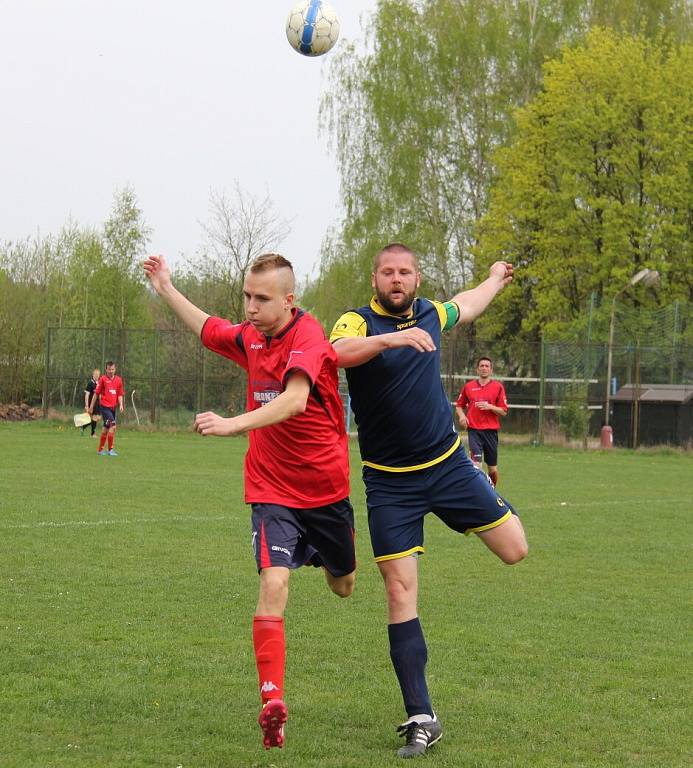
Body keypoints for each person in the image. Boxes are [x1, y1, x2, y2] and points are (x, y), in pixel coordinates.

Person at [143, 252, 356, 751]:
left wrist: (232, 423)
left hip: (326, 492)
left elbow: (295, 399)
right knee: (273, 583)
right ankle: (272, 702)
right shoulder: (251, 336)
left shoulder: (307, 335)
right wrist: (167, 288)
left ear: (289, 299)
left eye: (262, 299)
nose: (251, 306)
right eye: (247, 296)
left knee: (343, 585)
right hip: (271, 490)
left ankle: (327, 559)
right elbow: (208, 328)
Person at [329, 243, 528, 759]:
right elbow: (337, 356)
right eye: (388, 272)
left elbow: (469, 301)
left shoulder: (431, 314)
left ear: (417, 279)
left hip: (448, 468)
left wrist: (495, 278)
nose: (397, 279)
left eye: (406, 272)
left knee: (515, 549)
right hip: (390, 484)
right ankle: (422, 715)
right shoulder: (355, 322)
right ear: (374, 278)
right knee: (399, 592)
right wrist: (391, 344)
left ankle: (488, 495)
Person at [455, 356, 508, 486]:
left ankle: (492, 491)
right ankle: (480, 492)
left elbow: (503, 411)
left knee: (492, 469)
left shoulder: (498, 387)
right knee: (476, 465)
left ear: (491, 370)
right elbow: (459, 406)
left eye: (487, 366)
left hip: (491, 432)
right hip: (474, 431)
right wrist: (462, 416)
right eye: (481, 366)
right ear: (477, 369)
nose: (484, 368)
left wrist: (489, 406)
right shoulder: (469, 387)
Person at [91, 361, 124, 456]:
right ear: (106, 370)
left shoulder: (118, 380)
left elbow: (120, 394)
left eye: (112, 369)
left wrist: (121, 405)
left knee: (106, 428)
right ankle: (110, 450)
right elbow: (96, 394)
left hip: (113, 408)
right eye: (109, 369)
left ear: (115, 369)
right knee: (113, 426)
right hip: (105, 407)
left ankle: (100, 450)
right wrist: (91, 407)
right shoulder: (103, 379)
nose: (111, 371)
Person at [82, 367, 101, 437]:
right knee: (94, 417)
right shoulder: (90, 383)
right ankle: (93, 434)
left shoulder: (99, 383)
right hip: (92, 404)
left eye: (98, 375)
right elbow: (87, 395)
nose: (97, 376)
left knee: (97, 418)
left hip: (98, 403)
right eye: (95, 375)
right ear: (93, 375)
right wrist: (87, 405)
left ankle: (83, 426)